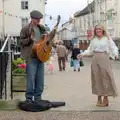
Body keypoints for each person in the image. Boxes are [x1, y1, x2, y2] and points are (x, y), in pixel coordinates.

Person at [77, 24, 118, 107]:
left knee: (105, 77)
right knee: (96, 78)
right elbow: (90, 50)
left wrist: (115, 54)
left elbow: (113, 47)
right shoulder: (93, 40)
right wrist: (82, 54)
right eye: (97, 29)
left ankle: (106, 98)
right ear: (95, 31)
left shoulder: (107, 38)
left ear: (103, 30)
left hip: (104, 58)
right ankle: (99, 97)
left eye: (100, 29)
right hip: (95, 59)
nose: (98, 30)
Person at [20, 10, 47, 103]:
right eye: (36, 19)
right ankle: (29, 98)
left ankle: (38, 98)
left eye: (39, 19)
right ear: (32, 18)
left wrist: (48, 37)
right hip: (31, 57)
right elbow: (21, 42)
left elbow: (46, 41)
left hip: (41, 56)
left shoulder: (42, 28)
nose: (38, 21)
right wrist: (29, 39)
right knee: (30, 79)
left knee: (40, 79)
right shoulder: (26, 29)